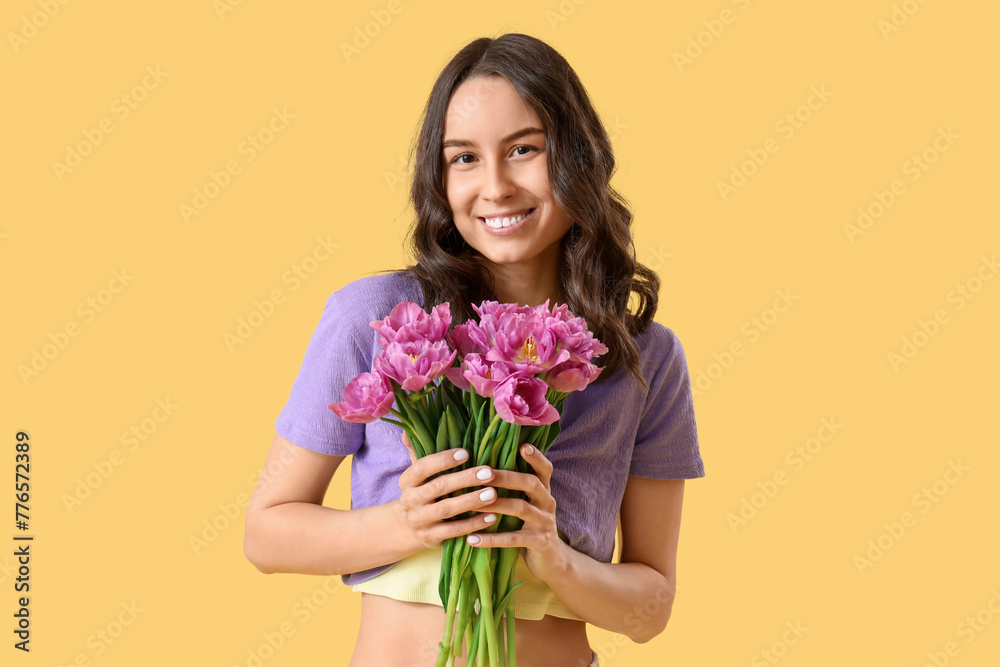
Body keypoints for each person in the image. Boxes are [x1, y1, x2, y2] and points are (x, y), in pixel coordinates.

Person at [243, 32, 705, 667]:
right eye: (463, 158)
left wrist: (555, 557)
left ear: (579, 157)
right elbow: (266, 534)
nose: (495, 187)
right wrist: (407, 522)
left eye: (523, 150)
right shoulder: (376, 318)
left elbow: (651, 610)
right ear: (438, 178)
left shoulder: (644, 358)